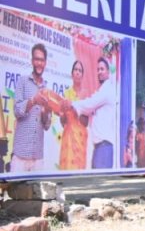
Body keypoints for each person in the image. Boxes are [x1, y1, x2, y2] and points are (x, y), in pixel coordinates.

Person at [67, 57, 117, 169]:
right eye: (98, 69)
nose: (99, 72)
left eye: (102, 69)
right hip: (99, 147)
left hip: (104, 147)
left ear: (108, 72)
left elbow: (90, 104)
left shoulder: (107, 89)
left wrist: (72, 104)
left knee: (99, 179)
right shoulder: (102, 90)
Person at [11, 43, 54, 173]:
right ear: (32, 61)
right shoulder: (22, 81)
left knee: (37, 188)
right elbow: (17, 111)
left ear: (45, 63)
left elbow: (47, 125)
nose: (39, 63)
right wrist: (33, 100)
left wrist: (46, 111)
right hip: (20, 156)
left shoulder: (47, 90)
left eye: (42, 60)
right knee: (15, 187)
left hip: (37, 158)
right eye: (36, 59)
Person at [59, 60, 89, 170]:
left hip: (80, 137)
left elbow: (86, 122)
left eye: (80, 70)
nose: (77, 72)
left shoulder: (86, 94)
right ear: (72, 74)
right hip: (68, 137)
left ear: (82, 75)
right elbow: (63, 122)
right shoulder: (67, 93)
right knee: (66, 169)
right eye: (75, 70)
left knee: (79, 170)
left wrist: (74, 107)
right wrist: (62, 113)